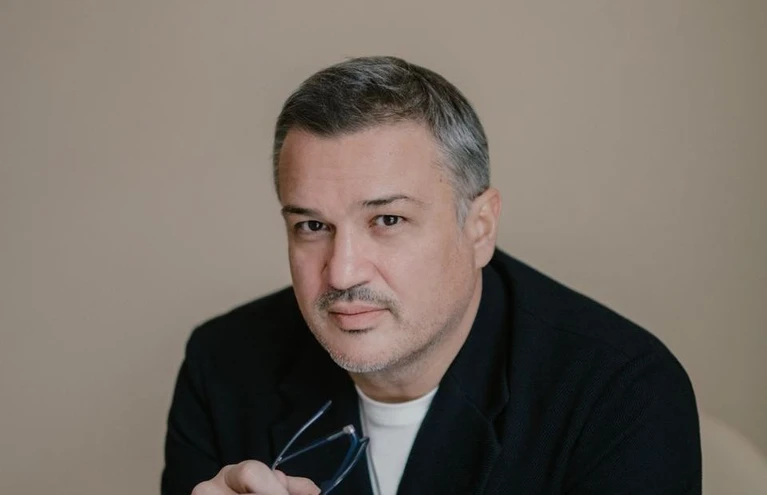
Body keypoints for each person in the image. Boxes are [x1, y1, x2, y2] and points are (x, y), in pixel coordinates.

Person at [161, 56, 701, 495]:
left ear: (480, 227)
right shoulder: (223, 366)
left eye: (388, 220)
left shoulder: (621, 393)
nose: (342, 272)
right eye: (313, 226)